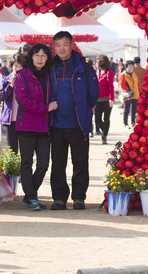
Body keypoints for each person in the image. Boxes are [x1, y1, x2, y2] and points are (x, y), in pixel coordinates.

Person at [49, 31, 99, 210]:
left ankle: (79, 197)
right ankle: (59, 198)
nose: (61, 48)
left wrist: (84, 110)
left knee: (80, 162)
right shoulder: (50, 67)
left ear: (71, 45)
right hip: (55, 124)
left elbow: (94, 94)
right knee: (58, 162)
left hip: (78, 124)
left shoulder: (84, 68)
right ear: (54, 47)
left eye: (65, 44)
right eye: (58, 45)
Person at [14, 44, 57, 211]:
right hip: (26, 125)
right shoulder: (21, 75)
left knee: (43, 164)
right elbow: (23, 101)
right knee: (26, 163)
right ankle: (32, 197)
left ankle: (29, 195)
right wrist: (46, 108)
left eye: (43, 55)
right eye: (37, 55)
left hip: (44, 127)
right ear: (31, 57)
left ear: (47, 59)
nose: (40, 58)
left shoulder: (50, 75)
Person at [0, 53, 28, 154]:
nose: (18, 68)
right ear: (12, 66)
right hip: (9, 121)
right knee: (12, 150)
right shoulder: (6, 79)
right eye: (16, 65)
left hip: (24, 120)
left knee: (25, 150)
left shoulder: (28, 80)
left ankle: (24, 169)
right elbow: (1, 96)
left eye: (20, 66)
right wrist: (11, 86)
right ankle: (12, 169)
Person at [95, 55, 115, 145]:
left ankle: (104, 136)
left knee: (106, 118)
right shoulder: (97, 72)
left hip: (107, 99)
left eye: (98, 60)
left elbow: (111, 87)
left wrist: (111, 99)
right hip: (98, 100)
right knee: (97, 119)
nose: (97, 61)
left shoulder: (109, 73)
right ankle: (105, 130)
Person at [120, 60, 140, 129]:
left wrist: (138, 91)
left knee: (133, 109)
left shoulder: (134, 74)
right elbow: (122, 84)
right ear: (126, 66)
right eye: (129, 65)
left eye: (132, 65)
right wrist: (128, 91)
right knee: (126, 109)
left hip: (135, 95)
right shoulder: (123, 75)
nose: (131, 67)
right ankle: (125, 123)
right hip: (127, 95)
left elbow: (137, 84)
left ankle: (133, 122)